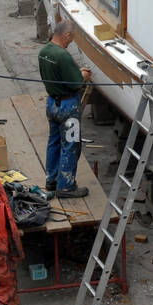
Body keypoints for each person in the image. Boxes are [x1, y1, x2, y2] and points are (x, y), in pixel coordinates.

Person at [38, 18, 92, 199]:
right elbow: (75, 82)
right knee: (70, 145)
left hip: (52, 103)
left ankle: (51, 180)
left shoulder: (44, 52)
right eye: (71, 38)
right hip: (68, 107)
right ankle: (66, 186)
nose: (71, 42)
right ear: (66, 35)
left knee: (53, 142)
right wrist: (83, 74)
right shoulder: (62, 55)